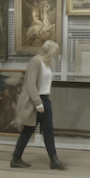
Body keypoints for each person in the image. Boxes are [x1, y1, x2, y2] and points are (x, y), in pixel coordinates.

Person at [10, 40, 66, 170]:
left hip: (45, 99)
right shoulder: (36, 61)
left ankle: (54, 160)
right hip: (36, 101)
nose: (56, 55)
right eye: (55, 52)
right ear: (50, 51)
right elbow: (30, 84)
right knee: (28, 130)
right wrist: (38, 103)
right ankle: (16, 158)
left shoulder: (46, 64)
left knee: (48, 131)